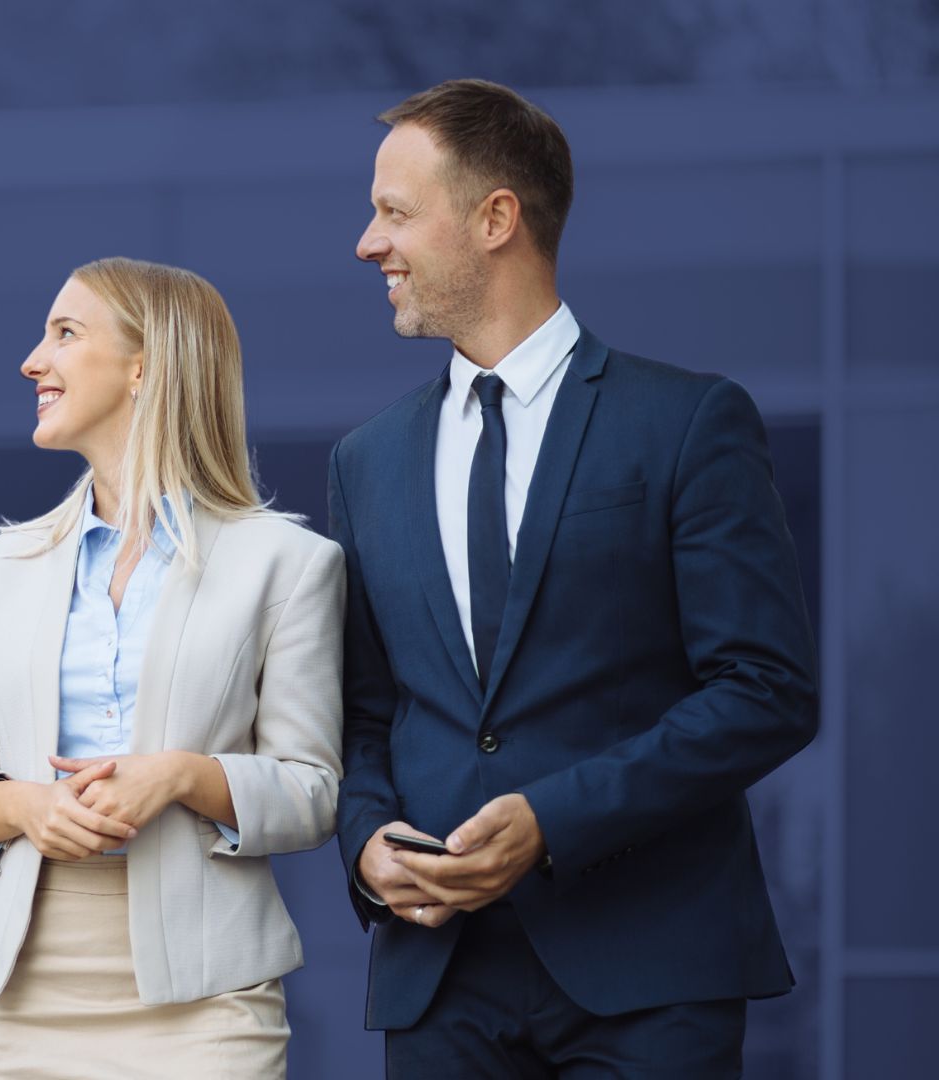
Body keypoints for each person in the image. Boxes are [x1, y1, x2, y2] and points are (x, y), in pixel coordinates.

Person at [331, 79, 818, 1076]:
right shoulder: (365, 461)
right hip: (439, 979)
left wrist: (555, 819)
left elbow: (766, 692)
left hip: (650, 975)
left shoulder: (685, 423)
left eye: (394, 214)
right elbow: (365, 717)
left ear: (496, 218)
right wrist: (368, 846)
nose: (367, 244)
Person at [0, 256, 344, 1078]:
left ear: (146, 367)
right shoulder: (0, 567)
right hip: (26, 989)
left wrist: (182, 776)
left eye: (65, 334)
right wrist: (26, 807)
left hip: (209, 991)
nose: (31, 361)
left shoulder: (288, 564)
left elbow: (312, 792)